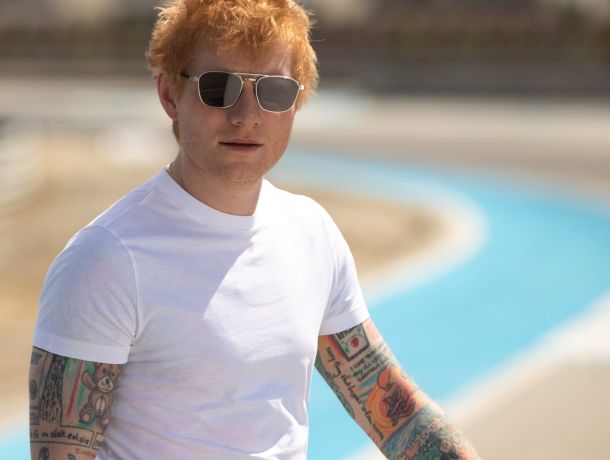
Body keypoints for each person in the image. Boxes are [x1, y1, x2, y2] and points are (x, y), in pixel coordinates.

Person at [29, 1, 479, 459]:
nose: (247, 115)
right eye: (219, 88)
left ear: (297, 102)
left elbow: (396, 413)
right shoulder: (106, 259)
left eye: (274, 91)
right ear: (169, 94)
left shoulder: (312, 234)